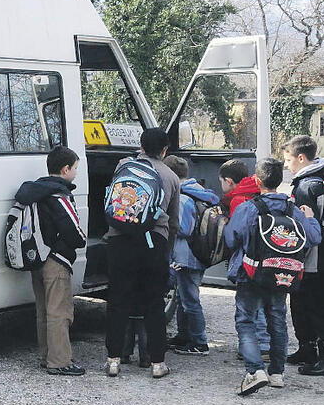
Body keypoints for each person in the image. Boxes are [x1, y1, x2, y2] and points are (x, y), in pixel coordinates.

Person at [225, 158, 321, 395]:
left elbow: (230, 238)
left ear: (257, 181)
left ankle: (255, 370)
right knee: (277, 320)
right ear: (280, 181)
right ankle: (277, 372)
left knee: (246, 320)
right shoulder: (293, 210)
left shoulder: (249, 208)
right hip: (283, 274)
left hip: (251, 273)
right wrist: (310, 219)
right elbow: (314, 238)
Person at [104, 128, 180, 379]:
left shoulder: (123, 165)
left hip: (119, 239)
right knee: (153, 304)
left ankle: (113, 360)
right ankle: (157, 363)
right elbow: (174, 222)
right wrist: (166, 252)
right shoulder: (170, 176)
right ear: (165, 150)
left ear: (141, 145)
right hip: (153, 243)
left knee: (117, 301)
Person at [13, 146, 87, 376]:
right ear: (65, 169)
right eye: (75, 168)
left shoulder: (34, 190)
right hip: (56, 259)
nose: (76, 172)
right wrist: (82, 240)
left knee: (43, 309)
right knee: (60, 311)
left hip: (37, 257)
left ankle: (46, 355)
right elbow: (73, 231)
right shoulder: (60, 194)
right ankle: (60, 361)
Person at [282, 135, 324, 375]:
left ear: (300, 157)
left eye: (288, 160)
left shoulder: (308, 186)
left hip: (315, 257)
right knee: (302, 301)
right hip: (318, 255)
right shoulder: (315, 180)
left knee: (319, 303)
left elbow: (305, 227)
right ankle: (308, 349)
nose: (286, 165)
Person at [164, 154, 220, 356]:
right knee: (182, 297)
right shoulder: (200, 192)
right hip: (199, 253)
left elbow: (183, 229)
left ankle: (199, 341)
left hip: (186, 256)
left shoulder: (183, 197)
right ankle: (183, 336)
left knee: (190, 299)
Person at [218, 159, 271, 360]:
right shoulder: (260, 191)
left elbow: (234, 236)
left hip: (247, 261)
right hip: (268, 258)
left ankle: (257, 348)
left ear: (229, 181)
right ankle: (266, 344)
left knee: (248, 309)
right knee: (266, 305)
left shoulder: (238, 200)